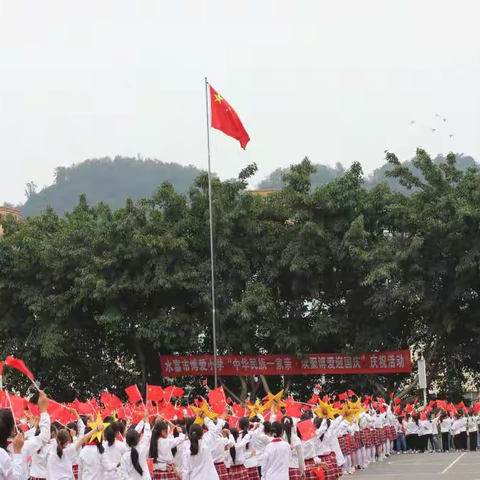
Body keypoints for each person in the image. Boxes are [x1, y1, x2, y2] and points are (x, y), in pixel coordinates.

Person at [118, 413, 152, 480]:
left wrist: (143, 421)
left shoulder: (125, 456)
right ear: (139, 439)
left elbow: (123, 474)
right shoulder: (142, 448)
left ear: (126, 440)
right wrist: (146, 422)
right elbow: (147, 436)